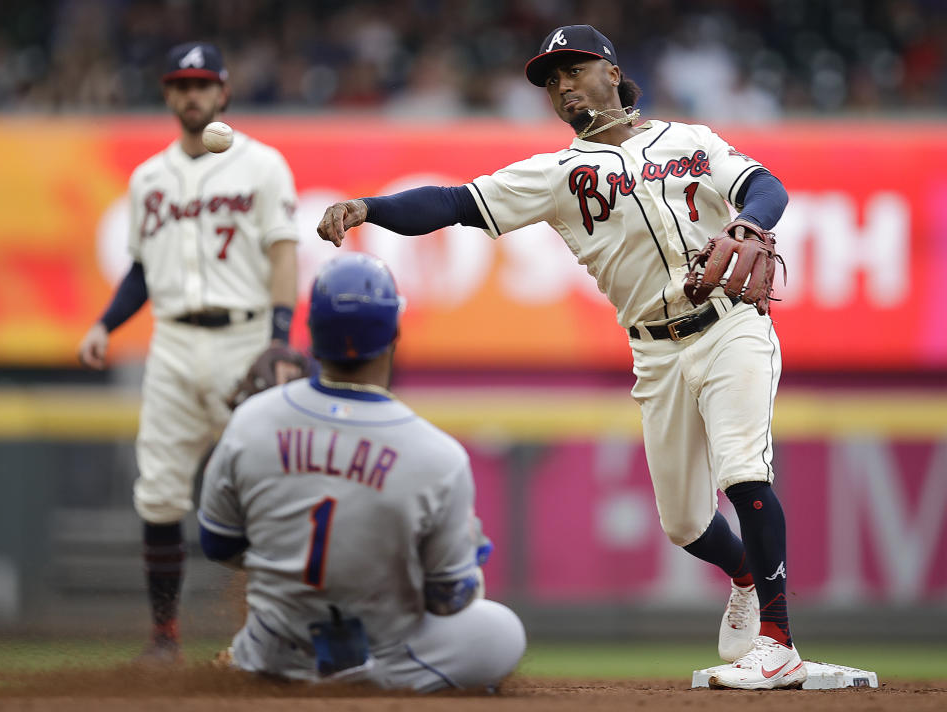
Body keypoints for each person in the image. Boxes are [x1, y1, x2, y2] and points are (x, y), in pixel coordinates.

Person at [316, 25, 805, 691]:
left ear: (610, 69)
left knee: (744, 471)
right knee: (685, 523)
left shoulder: (689, 141)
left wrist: (750, 223)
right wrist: (370, 206)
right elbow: (453, 202)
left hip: (730, 325)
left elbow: (765, 186)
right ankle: (744, 576)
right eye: (552, 80)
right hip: (654, 350)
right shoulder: (554, 175)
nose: (563, 85)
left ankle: (778, 640)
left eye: (573, 68)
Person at [197, 253, 526, 691]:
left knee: (270, 626)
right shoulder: (437, 455)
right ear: (395, 333)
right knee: (501, 631)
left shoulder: (253, 418)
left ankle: (253, 659)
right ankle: (363, 678)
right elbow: (450, 599)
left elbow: (217, 543)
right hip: (382, 651)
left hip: (275, 646)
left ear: (311, 332)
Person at [77, 42, 302, 663]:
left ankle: (275, 632)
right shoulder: (149, 177)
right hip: (172, 343)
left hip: (245, 338)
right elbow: (142, 271)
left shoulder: (262, 165)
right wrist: (105, 323)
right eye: (181, 84)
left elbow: (285, 252)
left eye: (203, 84)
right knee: (158, 493)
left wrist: (280, 339)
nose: (192, 94)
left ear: (224, 92)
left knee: (270, 491)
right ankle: (164, 638)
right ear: (167, 94)